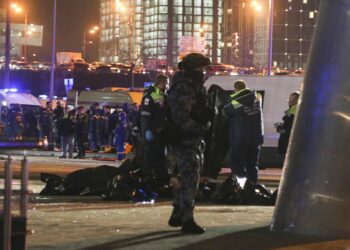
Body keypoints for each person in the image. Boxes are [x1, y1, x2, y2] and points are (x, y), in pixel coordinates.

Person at [167, 53, 212, 234]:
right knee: (189, 180)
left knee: (184, 178)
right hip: (185, 140)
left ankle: (178, 213)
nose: (203, 72)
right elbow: (181, 117)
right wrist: (198, 128)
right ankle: (187, 219)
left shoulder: (190, 85)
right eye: (200, 69)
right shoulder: (185, 87)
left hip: (188, 139)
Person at [223, 80, 264, 184]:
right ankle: (252, 186)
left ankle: (242, 182)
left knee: (235, 162)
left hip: (240, 138)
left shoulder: (235, 101)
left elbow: (226, 112)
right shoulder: (257, 97)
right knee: (252, 164)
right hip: (256, 138)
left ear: (236, 88)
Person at [140, 75, 169, 183]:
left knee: (160, 154)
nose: (166, 85)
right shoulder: (150, 95)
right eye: (165, 83)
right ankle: (147, 175)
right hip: (152, 130)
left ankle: (161, 176)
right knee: (149, 154)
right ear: (161, 83)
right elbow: (145, 113)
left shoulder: (162, 95)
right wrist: (148, 129)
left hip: (160, 131)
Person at [275, 91, 300, 156]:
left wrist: (278, 127)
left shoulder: (292, 112)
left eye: (290, 100)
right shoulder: (299, 110)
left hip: (289, 144)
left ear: (295, 101)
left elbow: (286, 130)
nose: (289, 101)